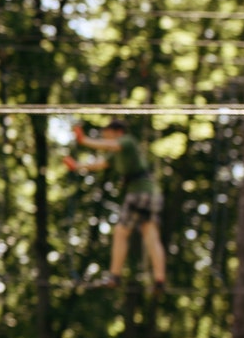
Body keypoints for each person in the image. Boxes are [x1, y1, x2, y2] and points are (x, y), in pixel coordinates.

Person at [64, 119, 167, 290]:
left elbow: (108, 146)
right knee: (151, 234)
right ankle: (160, 279)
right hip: (152, 193)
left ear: (117, 131)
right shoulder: (118, 151)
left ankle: (115, 276)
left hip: (139, 193)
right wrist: (77, 166)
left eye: (107, 132)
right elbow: (101, 164)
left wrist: (84, 140)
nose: (105, 135)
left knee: (120, 232)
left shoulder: (126, 141)